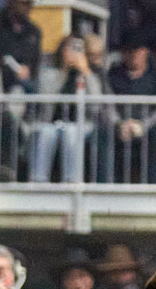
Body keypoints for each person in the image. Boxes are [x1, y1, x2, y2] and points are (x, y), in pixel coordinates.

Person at [27, 33, 102, 185]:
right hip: (52, 122)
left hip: (81, 124)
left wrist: (85, 71)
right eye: (70, 48)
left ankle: (71, 182)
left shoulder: (90, 74)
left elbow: (96, 103)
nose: (74, 53)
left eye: (78, 49)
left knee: (71, 132)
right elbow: (46, 97)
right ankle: (38, 181)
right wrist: (65, 71)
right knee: (46, 133)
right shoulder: (49, 73)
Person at [105, 32, 156, 184]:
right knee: (103, 135)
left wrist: (144, 125)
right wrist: (120, 124)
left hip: (150, 126)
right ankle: (106, 187)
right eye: (128, 50)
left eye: (137, 50)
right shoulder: (113, 74)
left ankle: (154, 188)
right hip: (121, 126)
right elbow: (107, 104)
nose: (133, 55)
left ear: (145, 51)